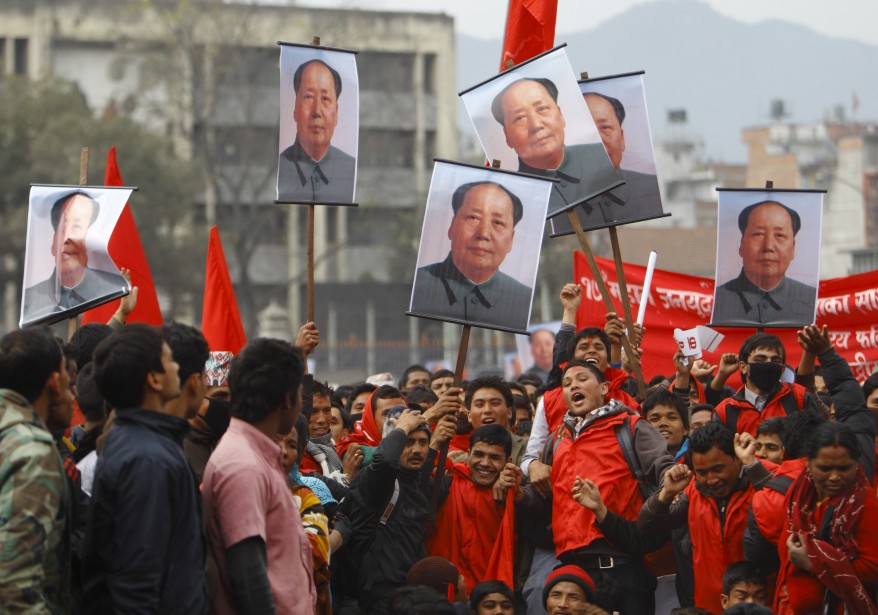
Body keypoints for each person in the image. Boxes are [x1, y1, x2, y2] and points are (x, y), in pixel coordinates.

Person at [517, 361, 674, 614]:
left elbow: (663, 466)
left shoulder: (631, 426)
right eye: (567, 384)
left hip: (623, 567)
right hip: (573, 574)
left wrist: (671, 477)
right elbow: (545, 498)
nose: (573, 386)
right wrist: (519, 493)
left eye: (581, 379)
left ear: (604, 388)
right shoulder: (556, 439)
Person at [82, 324, 207, 614]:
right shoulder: (148, 459)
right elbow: (137, 581)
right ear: (154, 379)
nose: (177, 368)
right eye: (169, 361)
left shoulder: (143, 443)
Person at [201, 338, 316, 614]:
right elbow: (249, 576)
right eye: (299, 393)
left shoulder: (255, 454)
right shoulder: (244, 465)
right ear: (288, 400)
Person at [636, 423, 771, 614]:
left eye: (718, 469)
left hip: (758, 605)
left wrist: (753, 466)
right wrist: (666, 494)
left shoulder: (760, 477)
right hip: (708, 606)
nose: (711, 480)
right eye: (702, 472)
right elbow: (646, 525)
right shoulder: (693, 491)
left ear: (737, 459)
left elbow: (782, 513)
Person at [332, 409, 453, 613]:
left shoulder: (414, 483)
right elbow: (386, 461)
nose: (417, 450)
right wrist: (402, 427)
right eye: (408, 442)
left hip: (401, 597)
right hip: (369, 601)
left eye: (423, 443)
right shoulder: (376, 483)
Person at [0, 327, 74, 613]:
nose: (72, 395)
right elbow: (14, 590)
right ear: (55, 383)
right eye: (69, 384)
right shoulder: (32, 452)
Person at [777, 422, 878, 614]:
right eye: (825, 468)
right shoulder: (798, 496)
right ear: (808, 464)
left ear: (856, 464)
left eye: (843, 468)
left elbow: (873, 567)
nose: (834, 477)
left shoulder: (863, 505)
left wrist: (813, 563)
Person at [411, 181, 533, 331]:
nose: (483, 234)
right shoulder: (415, 287)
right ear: (452, 226)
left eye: (498, 222)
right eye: (473, 218)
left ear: (510, 240)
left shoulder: (525, 301)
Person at [490, 77, 619, 216]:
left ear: (561, 115)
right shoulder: (510, 201)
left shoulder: (605, 158)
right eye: (520, 118)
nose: (536, 125)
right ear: (507, 136)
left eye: (542, 109)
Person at [428, 425, 518, 593]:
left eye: (494, 457)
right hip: (445, 597)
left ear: (508, 462)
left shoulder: (515, 496)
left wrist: (514, 492)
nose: (485, 463)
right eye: (478, 454)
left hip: (490, 599)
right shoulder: (445, 486)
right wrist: (433, 445)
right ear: (468, 455)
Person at [565, 91, 663, 229]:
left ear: (622, 138)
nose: (597, 140)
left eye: (605, 127)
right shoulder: (556, 204)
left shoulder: (650, 189)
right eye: (586, 130)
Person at [23, 191, 127, 320]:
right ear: (53, 243)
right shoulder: (31, 299)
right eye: (62, 228)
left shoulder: (115, 291)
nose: (66, 237)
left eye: (76, 227)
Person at [712, 200, 817, 326]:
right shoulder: (714, 303)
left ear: (793, 248)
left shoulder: (814, 303)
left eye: (779, 235)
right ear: (741, 245)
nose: (768, 246)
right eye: (758, 234)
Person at [278, 59, 356, 203]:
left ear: (336, 113)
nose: (317, 111)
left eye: (325, 99)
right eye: (308, 97)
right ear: (295, 108)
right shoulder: (278, 169)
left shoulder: (352, 172)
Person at [713, 332, 817, 437]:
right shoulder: (725, 411)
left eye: (775, 361)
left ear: (782, 369)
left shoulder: (799, 397)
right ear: (743, 367)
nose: (768, 364)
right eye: (760, 360)